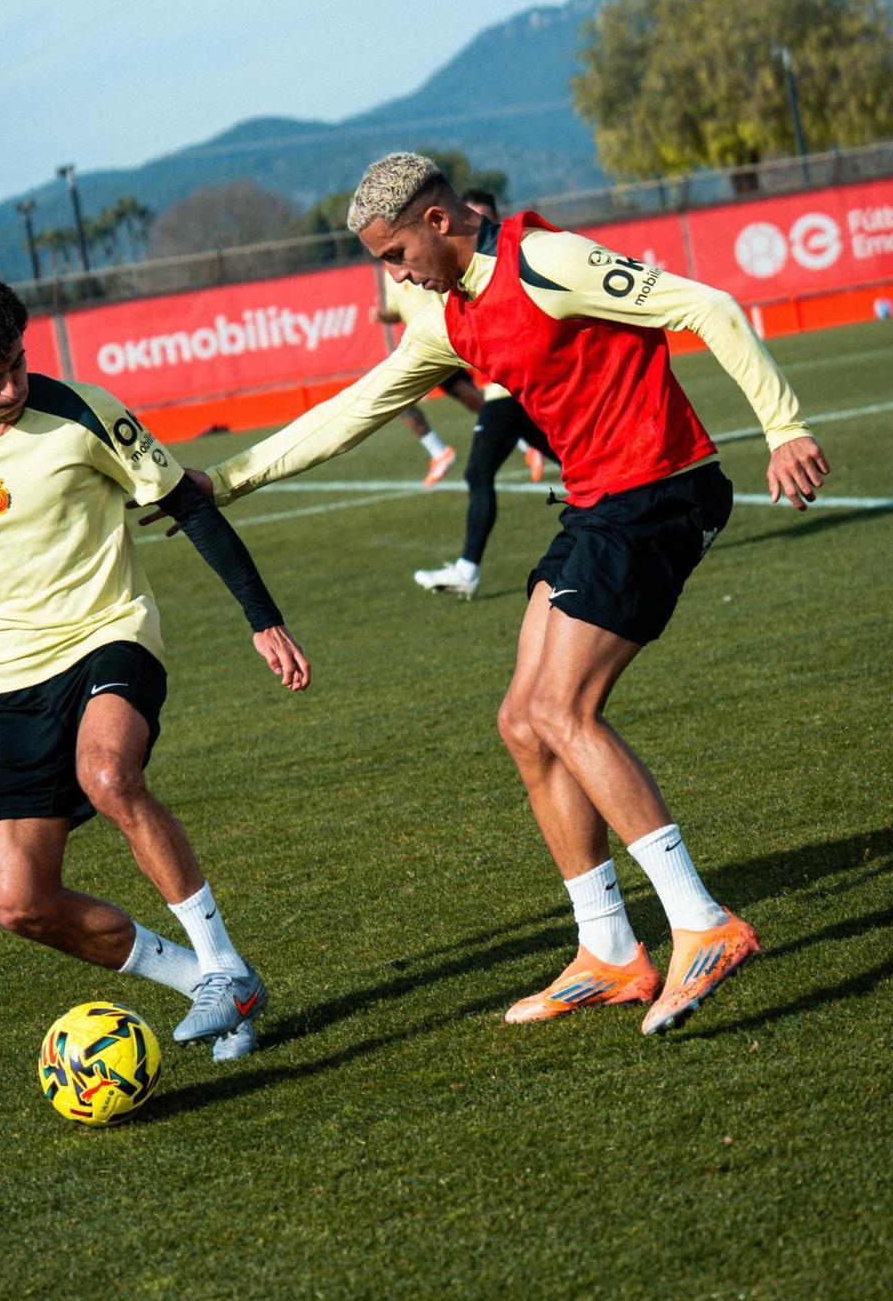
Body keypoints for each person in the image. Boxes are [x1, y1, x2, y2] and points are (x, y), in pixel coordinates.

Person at [166, 153, 830, 1036]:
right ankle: (609, 950)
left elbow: (708, 306)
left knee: (562, 709)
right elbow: (355, 409)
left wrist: (785, 427)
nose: (395, 275)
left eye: (396, 254)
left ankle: (703, 924)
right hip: (598, 506)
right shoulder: (450, 319)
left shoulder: (544, 261)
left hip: (662, 492)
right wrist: (225, 482)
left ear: (438, 221)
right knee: (523, 722)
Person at [0, 274, 311, 1061]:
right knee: (22, 902)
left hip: (112, 635)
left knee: (109, 776)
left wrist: (262, 618)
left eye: (18, 365)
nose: (12, 387)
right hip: (14, 679)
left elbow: (186, 503)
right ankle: (208, 982)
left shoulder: (84, 412)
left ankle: (224, 966)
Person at [412, 188, 556, 599]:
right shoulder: (456, 282)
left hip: (508, 395)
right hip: (512, 392)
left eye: (480, 219)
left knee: (478, 474)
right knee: (572, 458)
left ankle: (467, 570)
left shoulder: (516, 262)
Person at [371, 271, 486, 486]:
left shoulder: (414, 257)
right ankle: (440, 452)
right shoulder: (389, 274)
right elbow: (396, 312)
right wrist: (383, 315)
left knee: (474, 398)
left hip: (444, 334)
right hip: (423, 345)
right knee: (397, 395)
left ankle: (523, 435)